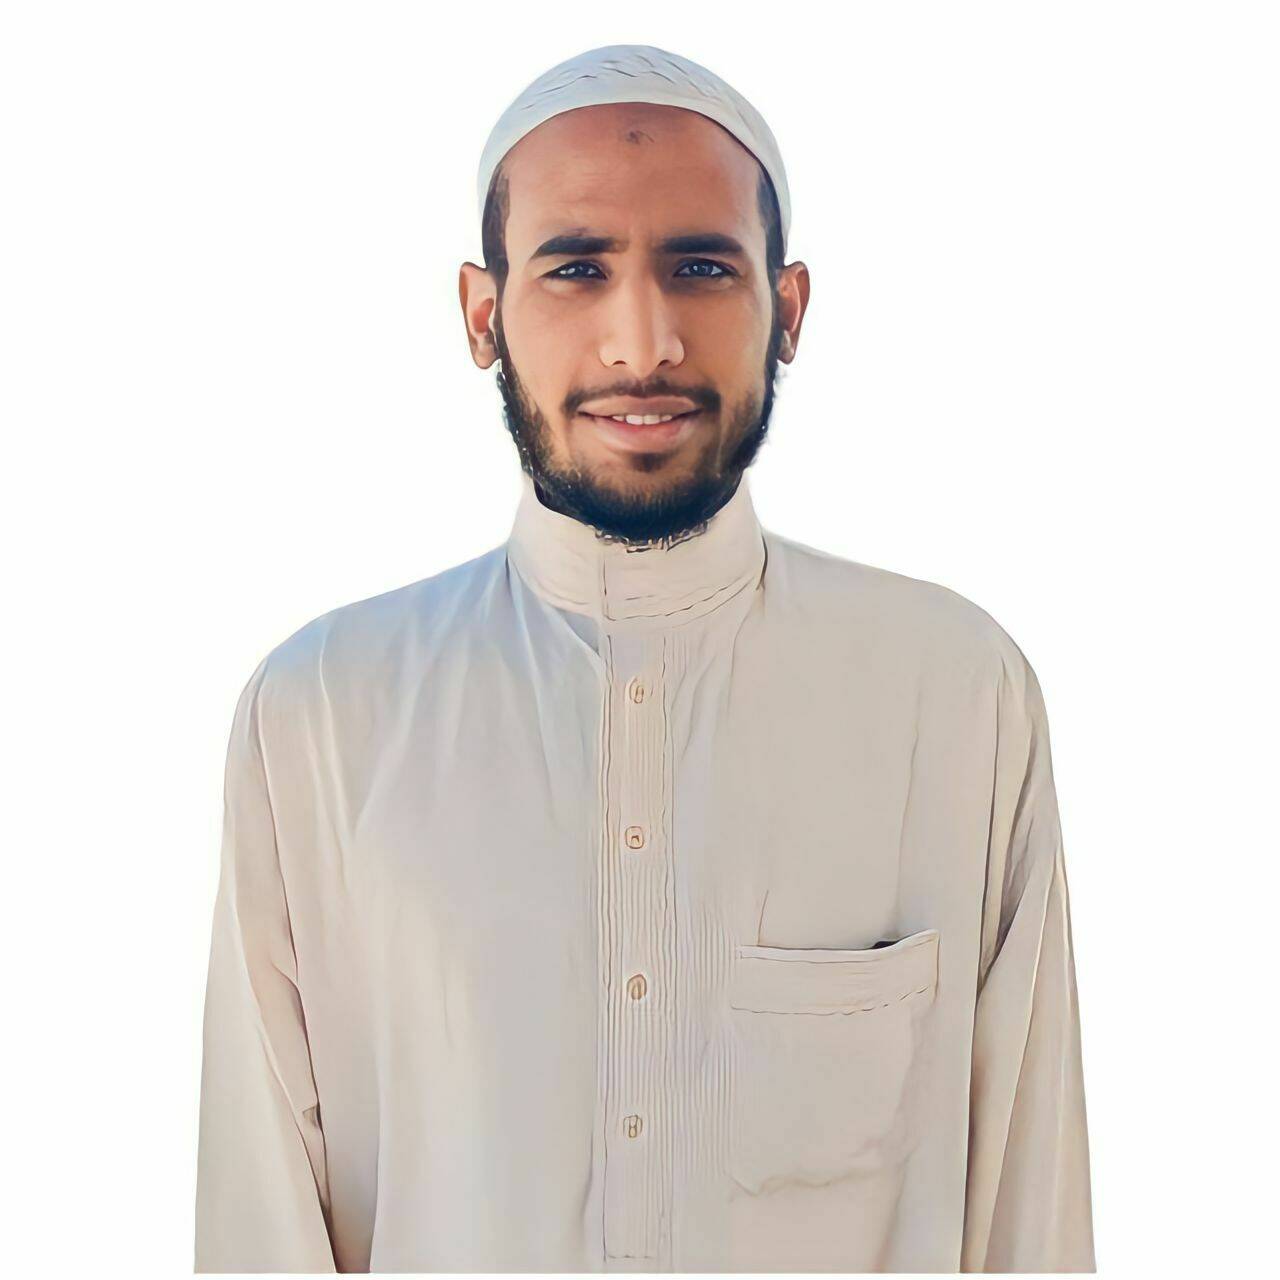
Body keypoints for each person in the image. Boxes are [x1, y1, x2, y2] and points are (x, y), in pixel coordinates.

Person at [194, 43, 1095, 1273]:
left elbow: (1028, 1213)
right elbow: (259, 1221)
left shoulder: (951, 694)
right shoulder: (323, 714)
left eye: (699, 267)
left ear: (786, 309)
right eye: (576, 267)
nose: (642, 341)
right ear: (481, 314)